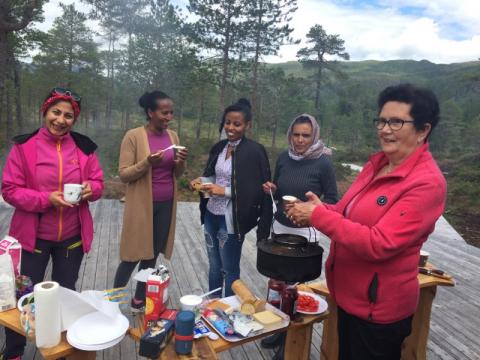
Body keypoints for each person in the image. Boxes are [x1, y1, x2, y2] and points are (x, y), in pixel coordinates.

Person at [286, 84, 447, 360]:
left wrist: (319, 216)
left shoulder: (427, 183)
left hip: (379, 312)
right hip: (349, 297)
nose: (384, 129)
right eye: (382, 121)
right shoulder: (378, 165)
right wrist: (319, 209)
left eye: (396, 122)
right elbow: (347, 212)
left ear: (423, 130)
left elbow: (379, 243)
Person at [1, 87, 104, 360]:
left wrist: (90, 189)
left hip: (71, 237)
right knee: (24, 297)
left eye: (68, 116)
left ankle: (59, 350)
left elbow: (98, 182)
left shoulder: (84, 147)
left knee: (66, 296)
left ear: (75, 119)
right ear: (44, 112)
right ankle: (13, 351)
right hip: (32, 239)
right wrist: (46, 199)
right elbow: (10, 189)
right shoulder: (24, 146)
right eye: (55, 112)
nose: (61, 120)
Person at [113, 90, 187, 311]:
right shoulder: (134, 136)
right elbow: (124, 174)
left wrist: (181, 161)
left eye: (171, 113)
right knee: (132, 254)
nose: (168, 117)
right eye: (164, 112)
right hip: (141, 206)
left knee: (151, 255)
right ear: (150, 112)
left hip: (166, 204)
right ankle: (113, 300)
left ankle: (139, 299)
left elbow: (178, 173)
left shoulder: (173, 136)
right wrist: (147, 162)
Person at [190, 98, 272, 297]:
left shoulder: (254, 152)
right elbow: (214, 176)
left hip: (232, 221)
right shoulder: (220, 148)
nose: (231, 127)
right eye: (228, 122)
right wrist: (201, 181)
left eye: (237, 124)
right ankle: (213, 305)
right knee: (214, 265)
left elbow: (255, 191)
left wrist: (224, 191)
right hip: (211, 215)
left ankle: (229, 311)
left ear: (247, 125)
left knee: (229, 268)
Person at [262, 113, 338, 240]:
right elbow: (277, 194)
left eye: (306, 135)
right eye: (296, 134)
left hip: (307, 231)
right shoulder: (284, 158)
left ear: (314, 136)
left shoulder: (323, 163)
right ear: (290, 135)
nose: (300, 140)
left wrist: (310, 209)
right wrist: (273, 190)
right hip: (279, 226)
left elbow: (332, 200)